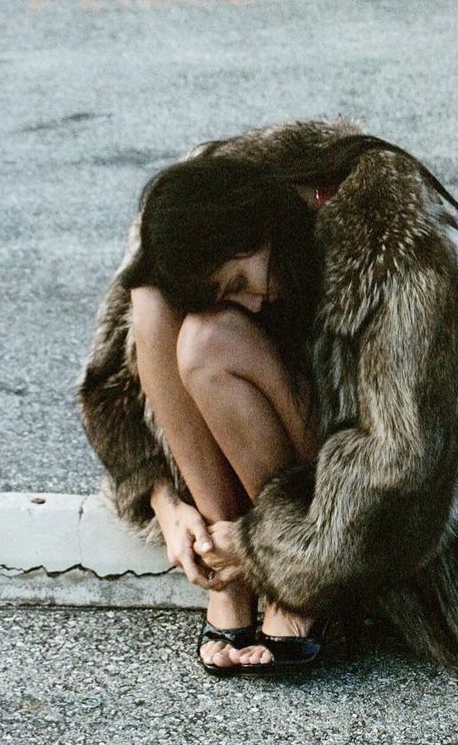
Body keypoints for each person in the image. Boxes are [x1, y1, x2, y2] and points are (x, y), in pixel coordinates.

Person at [112, 154, 333, 674]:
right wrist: (167, 504)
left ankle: (291, 574)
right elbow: (115, 404)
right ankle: (224, 568)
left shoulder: (356, 230)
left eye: (238, 281)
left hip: (338, 459)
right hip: (263, 450)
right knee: (149, 300)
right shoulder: (177, 227)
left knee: (210, 339)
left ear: (252, 227)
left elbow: (401, 441)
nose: (252, 304)